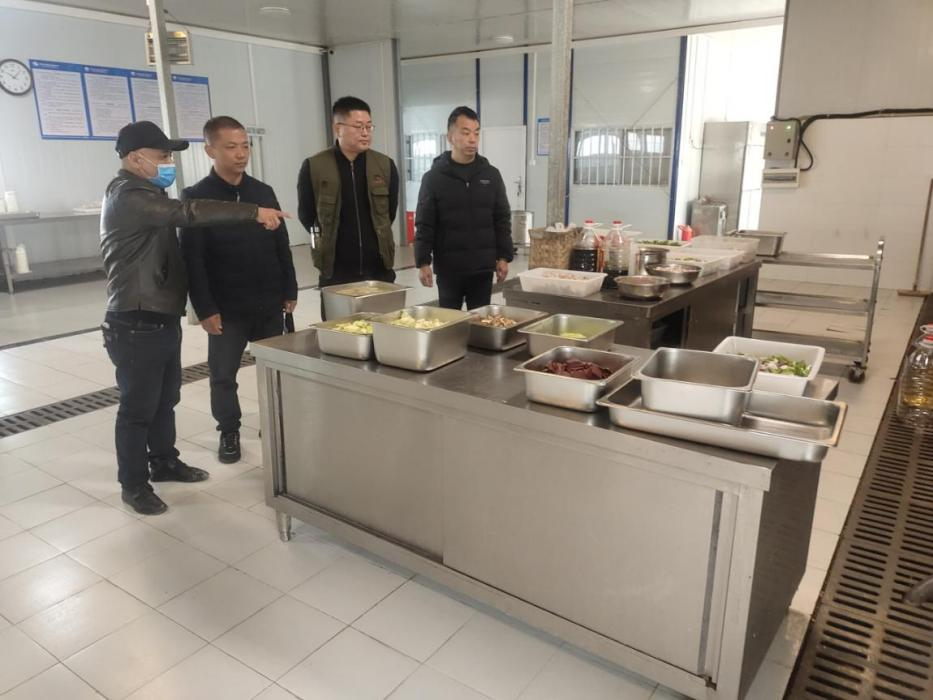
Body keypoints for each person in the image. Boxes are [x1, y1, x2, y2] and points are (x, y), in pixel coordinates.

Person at [100, 120, 287, 515]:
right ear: (134, 158)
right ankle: (133, 484)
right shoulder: (128, 195)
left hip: (160, 315)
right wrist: (253, 212)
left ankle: (164, 461)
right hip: (135, 319)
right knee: (137, 409)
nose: (168, 162)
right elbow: (188, 212)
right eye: (162, 156)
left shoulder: (148, 191)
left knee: (165, 399)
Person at [181, 116, 298, 465]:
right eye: (230, 147)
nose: (240, 153)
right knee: (223, 375)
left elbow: (281, 245)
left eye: (245, 146)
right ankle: (229, 430)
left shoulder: (262, 192)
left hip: (268, 301)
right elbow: (192, 259)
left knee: (271, 369)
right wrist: (205, 308)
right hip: (226, 307)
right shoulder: (196, 198)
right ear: (210, 151)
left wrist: (289, 288)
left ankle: (273, 422)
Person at [297, 96, 400, 319]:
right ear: (338, 128)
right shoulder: (315, 166)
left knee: (384, 329)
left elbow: (389, 213)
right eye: (358, 126)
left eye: (369, 126)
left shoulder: (384, 165)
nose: (366, 132)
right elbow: (307, 215)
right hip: (336, 272)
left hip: (378, 270)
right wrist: (323, 243)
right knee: (339, 331)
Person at [415, 106, 513, 310]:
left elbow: (502, 219)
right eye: (466, 133)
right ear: (450, 137)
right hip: (449, 269)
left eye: (476, 133)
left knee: (480, 322)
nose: (472, 139)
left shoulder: (491, 175)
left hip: (482, 269)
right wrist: (423, 262)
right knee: (450, 323)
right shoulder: (433, 179)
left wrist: (504, 257)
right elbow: (425, 223)